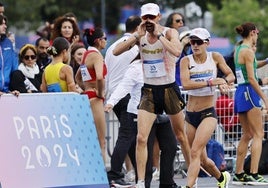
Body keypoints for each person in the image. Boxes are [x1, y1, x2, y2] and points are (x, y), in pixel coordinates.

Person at [113, 3, 190, 188]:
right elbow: (116, 51)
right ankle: (141, 182)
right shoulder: (140, 36)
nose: (148, 21)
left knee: (180, 135)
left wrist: (159, 34)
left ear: (158, 17)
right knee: (141, 137)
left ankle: (192, 177)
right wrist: (136, 36)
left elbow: (177, 51)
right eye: (145, 18)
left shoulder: (170, 32)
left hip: (169, 88)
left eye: (152, 17)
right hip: (149, 90)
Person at [105, 56, 178, 188]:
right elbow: (123, 86)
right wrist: (111, 102)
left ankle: (167, 183)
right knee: (145, 150)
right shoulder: (135, 67)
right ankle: (144, 184)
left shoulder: (165, 62)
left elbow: (176, 51)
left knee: (171, 146)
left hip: (162, 112)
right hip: (141, 112)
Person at [179, 27, 235, 188]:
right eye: (192, 42)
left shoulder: (215, 57)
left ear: (207, 43)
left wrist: (224, 81)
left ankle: (189, 186)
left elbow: (230, 74)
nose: (194, 45)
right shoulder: (186, 61)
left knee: (195, 152)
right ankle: (221, 177)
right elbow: (186, 84)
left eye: (198, 42)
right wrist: (211, 82)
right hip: (190, 114)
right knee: (202, 159)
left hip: (208, 113)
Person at [104, 15, 141, 186]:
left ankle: (140, 172)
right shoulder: (135, 48)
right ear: (138, 28)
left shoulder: (112, 46)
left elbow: (107, 74)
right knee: (127, 134)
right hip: (127, 95)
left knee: (131, 134)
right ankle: (115, 173)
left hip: (114, 94)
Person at [232, 22, 268, 186]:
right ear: (253, 32)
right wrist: (265, 98)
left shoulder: (239, 49)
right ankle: (253, 173)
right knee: (259, 134)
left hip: (240, 92)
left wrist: (266, 61)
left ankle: (239, 174)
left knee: (247, 135)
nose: (258, 37)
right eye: (258, 33)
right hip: (249, 92)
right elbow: (252, 78)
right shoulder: (248, 51)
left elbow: (250, 67)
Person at [75, 27, 107, 162]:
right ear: (99, 41)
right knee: (101, 141)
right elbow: (99, 77)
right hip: (95, 99)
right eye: (104, 39)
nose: (106, 41)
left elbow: (77, 77)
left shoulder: (86, 55)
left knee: (90, 140)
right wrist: (99, 92)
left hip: (88, 96)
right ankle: (102, 176)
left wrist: (86, 88)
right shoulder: (96, 56)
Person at [0, 14, 19, 96]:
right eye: (1, 24)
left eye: (5, 24)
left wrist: (12, 90)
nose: (5, 26)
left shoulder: (8, 43)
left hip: (6, 92)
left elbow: (14, 69)